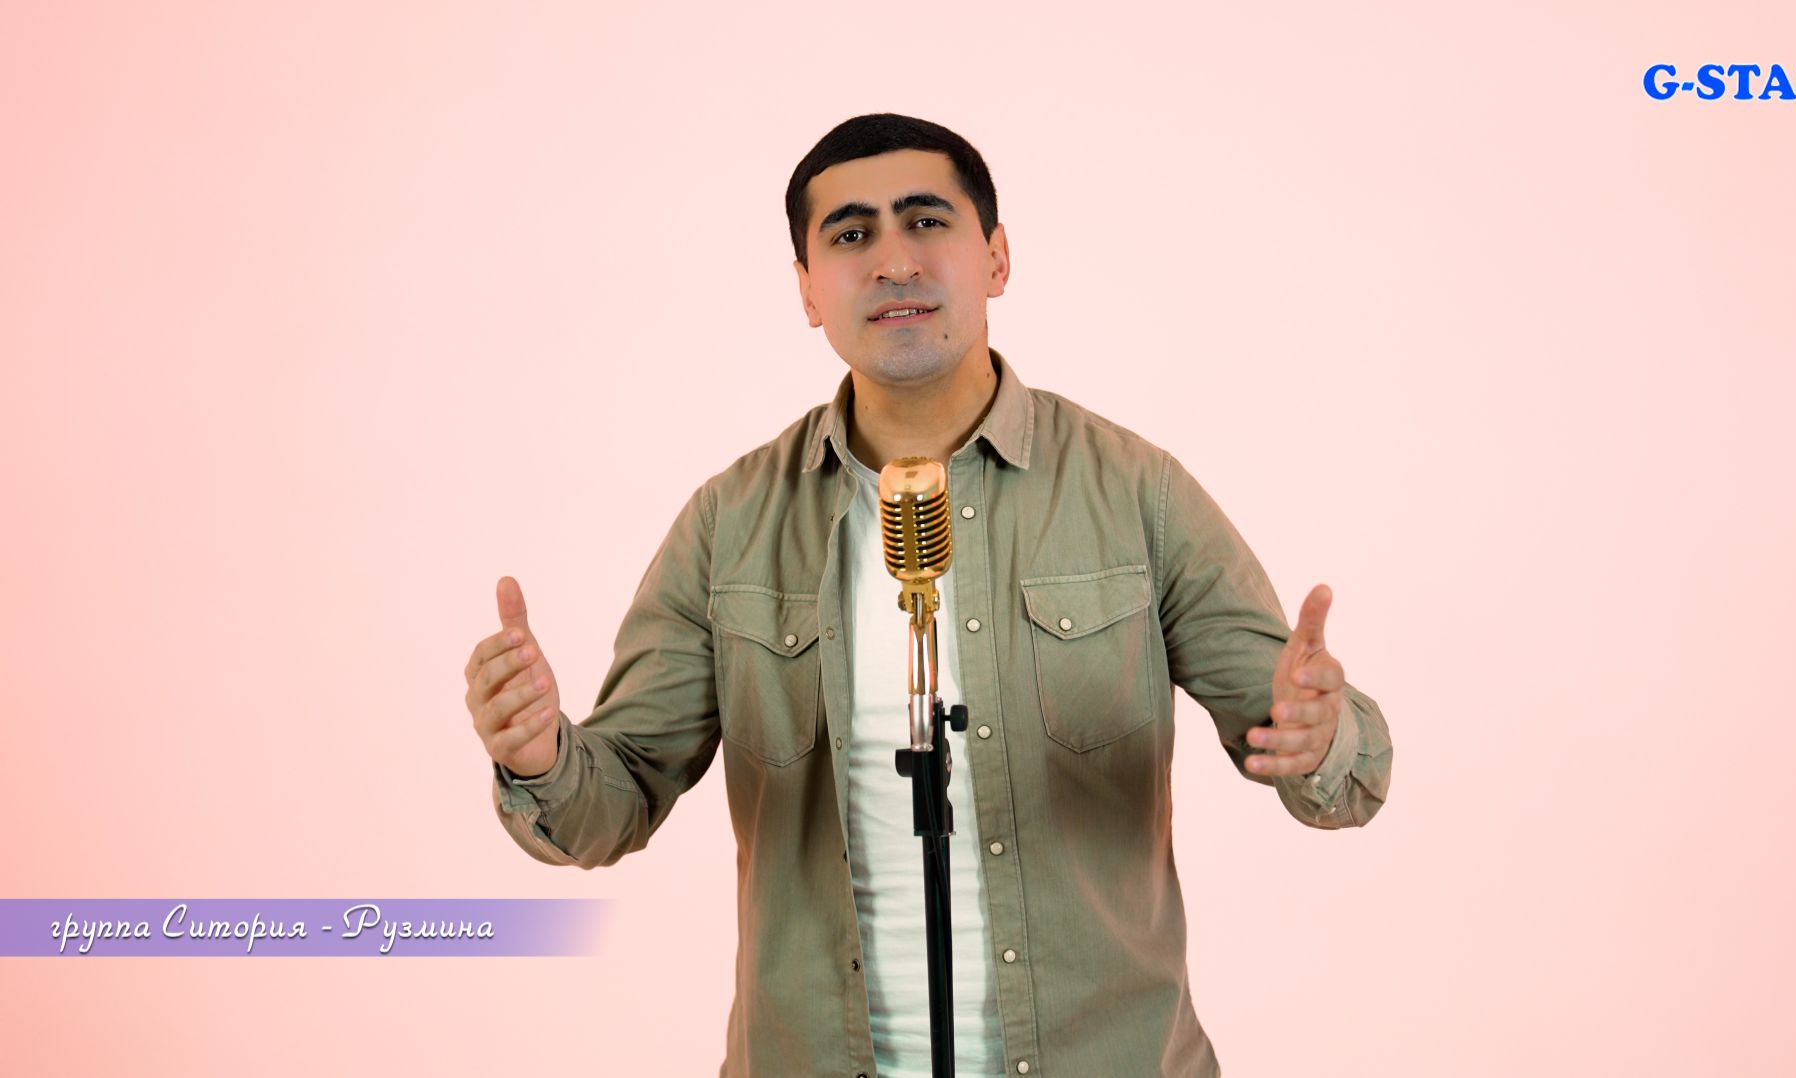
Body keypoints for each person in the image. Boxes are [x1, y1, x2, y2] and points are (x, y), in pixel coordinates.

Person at [463, 113, 1393, 1078]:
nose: (894, 261)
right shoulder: (729, 523)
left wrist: (1320, 737)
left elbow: (1335, 771)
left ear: (996, 258)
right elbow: (612, 802)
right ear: (807, 290)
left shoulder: (1135, 494)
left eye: (926, 221)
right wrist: (541, 757)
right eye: (851, 235)